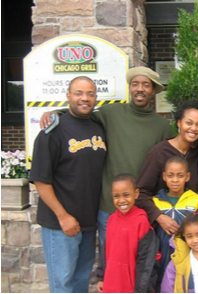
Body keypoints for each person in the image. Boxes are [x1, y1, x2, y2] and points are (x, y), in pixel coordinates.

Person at [40, 66, 172, 266]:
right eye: (135, 83)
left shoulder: (162, 126)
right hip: (108, 209)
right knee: (112, 265)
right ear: (129, 87)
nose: (140, 89)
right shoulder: (111, 113)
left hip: (142, 209)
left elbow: (168, 165)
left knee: (142, 266)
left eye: (146, 85)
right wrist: (56, 112)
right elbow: (81, 111)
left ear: (153, 90)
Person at [29, 76, 107, 293]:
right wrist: (63, 216)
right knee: (62, 284)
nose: (85, 98)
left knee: (81, 281)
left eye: (90, 94)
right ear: (68, 96)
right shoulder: (52, 131)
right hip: (60, 224)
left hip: (88, 222)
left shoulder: (99, 127)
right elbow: (40, 180)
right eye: (79, 93)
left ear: (95, 98)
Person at [136, 100, 198, 233]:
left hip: (192, 232)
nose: (193, 128)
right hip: (162, 230)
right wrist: (159, 216)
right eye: (189, 123)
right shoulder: (159, 152)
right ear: (179, 123)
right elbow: (141, 193)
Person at [152, 156, 198, 288]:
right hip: (161, 256)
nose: (175, 180)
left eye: (180, 175)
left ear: (187, 177)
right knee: (162, 285)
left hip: (190, 256)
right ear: (164, 176)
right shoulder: (155, 202)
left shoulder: (196, 200)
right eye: (171, 175)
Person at [96, 173, 159, 293]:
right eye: (116, 196)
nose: (121, 200)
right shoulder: (111, 220)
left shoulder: (141, 221)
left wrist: (141, 289)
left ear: (136, 194)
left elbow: (146, 261)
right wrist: (102, 277)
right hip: (111, 281)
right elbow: (105, 250)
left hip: (131, 285)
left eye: (126, 195)